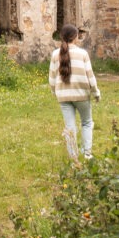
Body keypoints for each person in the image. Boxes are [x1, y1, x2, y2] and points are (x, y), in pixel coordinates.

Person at [48, 24, 100, 161]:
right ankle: (87, 153)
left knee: (70, 127)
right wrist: (96, 92)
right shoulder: (83, 54)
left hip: (63, 96)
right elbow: (90, 76)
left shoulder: (55, 54)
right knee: (87, 122)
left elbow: (52, 77)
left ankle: (73, 157)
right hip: (81, 94)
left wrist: (55, 92)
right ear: (75, 37)